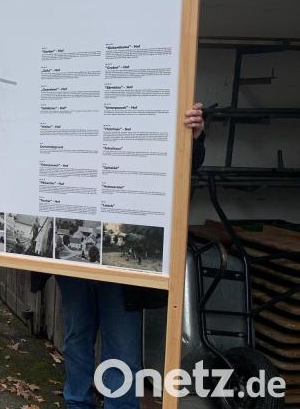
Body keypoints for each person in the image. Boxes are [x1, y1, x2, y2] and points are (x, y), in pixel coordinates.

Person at [33, 102, 206, 409]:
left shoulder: (141, 110)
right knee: (77, 339)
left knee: (122, 347)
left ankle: (119, 405)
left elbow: (180, 169)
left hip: (120, 275)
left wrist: (192, 139)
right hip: (75, 267)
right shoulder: (64, 114)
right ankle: (77, 404)